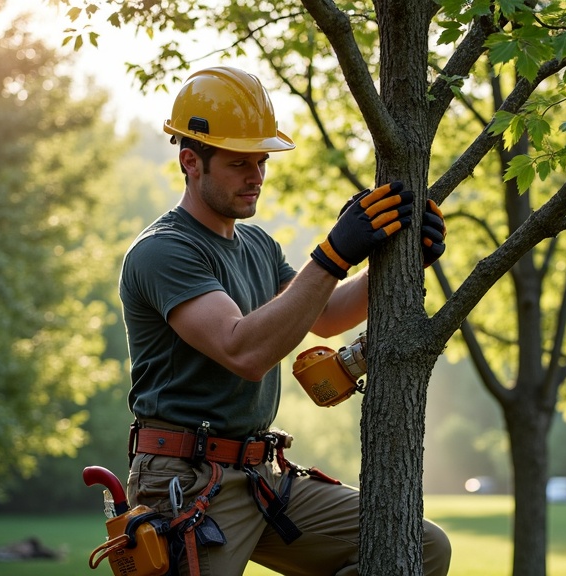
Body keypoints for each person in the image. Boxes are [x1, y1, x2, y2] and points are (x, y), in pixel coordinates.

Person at [118, 66, 450, 576]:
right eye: (238, 164)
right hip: (182, 479)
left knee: (423, 547)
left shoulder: (257, 245)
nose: (256, 176)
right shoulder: (164, 250)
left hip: (261, 476)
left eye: (262, 161)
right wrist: (333, 254)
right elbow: (243, 351)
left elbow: (326, 315)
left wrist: (399, 262)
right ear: (192, 162)